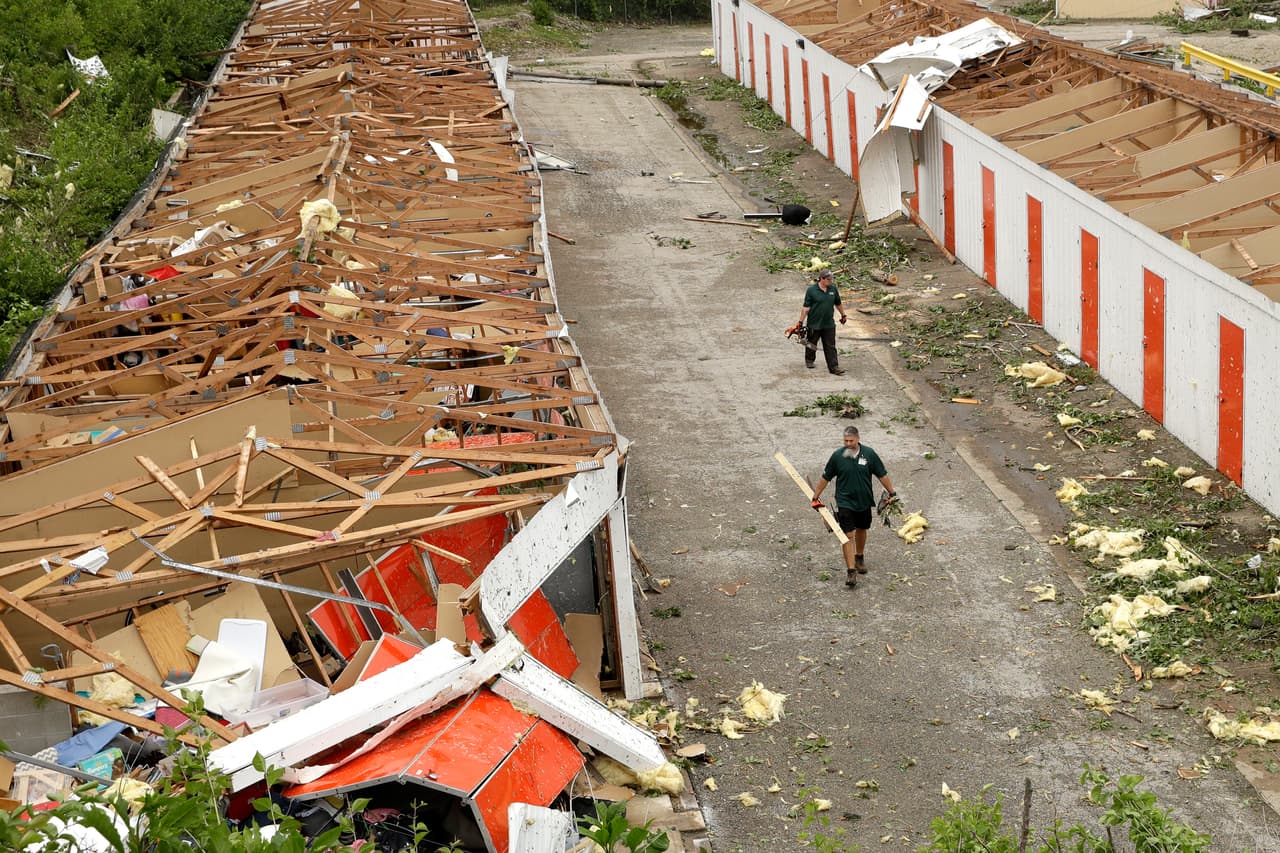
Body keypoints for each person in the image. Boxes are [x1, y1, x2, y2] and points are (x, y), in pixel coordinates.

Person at [809, 425, 896, 588]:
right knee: (847, 535)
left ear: (858, 439)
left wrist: (892, 492)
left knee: (862, 529)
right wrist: (815, 496)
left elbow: (881, 474)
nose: (848, 444)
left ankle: (859, 556)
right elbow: (825, 477)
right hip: (844, 501)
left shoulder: (869, 454)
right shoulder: (837, 456)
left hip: (864, 500)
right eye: (845, 441)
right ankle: (850, 571)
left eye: (851, 440)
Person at [797, 269, 848, 375]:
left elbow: (838, 303)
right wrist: (800, 322)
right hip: (814, 323)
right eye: (829, 279)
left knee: (830, 346)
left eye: (831, 279)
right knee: (811, 343)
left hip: (828, 323)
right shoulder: (811, 290)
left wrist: (843, 315)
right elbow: (806, 308)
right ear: (822, 279)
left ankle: (834, 367)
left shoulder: (833, 289)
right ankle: (809, 360)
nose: (831, 281)